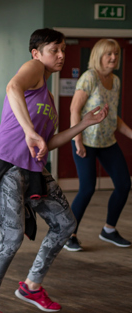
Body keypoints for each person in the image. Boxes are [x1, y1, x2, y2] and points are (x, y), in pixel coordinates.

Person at [0, 29, 108, 313]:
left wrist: (84, 124)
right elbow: (11, 87)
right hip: (6, 162)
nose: (60, 55)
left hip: (32, 168)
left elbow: (52, 139)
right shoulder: (33, 69)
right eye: (54, 50)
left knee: (65, 224)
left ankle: (31, 286)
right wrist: (29, 131)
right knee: (11, 237)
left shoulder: (47, 94)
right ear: (36, 53)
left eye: (63, 50)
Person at [64, 39, 132, 251]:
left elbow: (113, 117)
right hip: (85, 142)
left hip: (107, 141)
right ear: (99, 56)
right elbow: (74, 110)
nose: (113, 58)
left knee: (123, 184)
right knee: (87, 188)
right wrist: (78, 141)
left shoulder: (116, 81)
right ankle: (69, 234)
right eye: (108, 54)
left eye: (116, 54)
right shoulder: (89, 77)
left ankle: (109, 230)